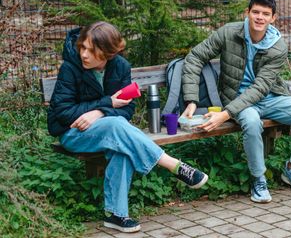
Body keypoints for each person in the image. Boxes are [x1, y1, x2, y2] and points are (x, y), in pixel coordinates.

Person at [47, 22, 208, 233]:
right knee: (117, 126)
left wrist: (98, 112)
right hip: (73, 132)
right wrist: (106, 104)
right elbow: (63, 112)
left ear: (107, 53)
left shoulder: (120, 66)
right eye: (83, 47)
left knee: (121, 144)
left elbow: (127, 109)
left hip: (110, 130)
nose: (84, 54)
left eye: (91, 50)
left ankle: (116, 214)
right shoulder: (71, 66)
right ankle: (174, 165)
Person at [181, 0, 291, 203]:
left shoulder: (277, 47)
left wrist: (225, 115)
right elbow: (195, 56)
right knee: (250, 121)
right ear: (247, 13)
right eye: (255, 12)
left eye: (265, 14)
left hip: (269, 97)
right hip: (237, 99)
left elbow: (260, 87)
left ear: (273, 18)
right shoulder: (229, 32)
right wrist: (191, 99)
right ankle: (258, 178)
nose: (260, 17)